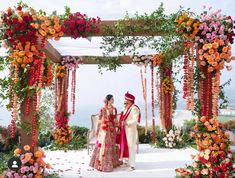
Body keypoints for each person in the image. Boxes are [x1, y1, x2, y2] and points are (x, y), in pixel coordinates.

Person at [89, 94, 120, 172]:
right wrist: (104, 122)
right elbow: (99, 120)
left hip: (112, 129)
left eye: (113, 99)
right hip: (105, 129)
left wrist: (118, 126)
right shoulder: (103, 109)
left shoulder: (114, 109)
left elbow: (115, 119)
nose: (113, 100)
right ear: (108, 100)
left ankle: (112, 163)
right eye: (112, 99)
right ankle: (102, 164)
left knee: (111, 145)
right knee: (105, 145)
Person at [119, 92, 141, 171]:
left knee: (131, 147)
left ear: (129, 100)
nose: (124, 101)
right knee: (125, 145)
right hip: (124, 130)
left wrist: (127, 123)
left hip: (130, 130)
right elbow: (122, 117)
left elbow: (135, 121)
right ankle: (126, 162)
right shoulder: (126, 107)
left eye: (125, 100)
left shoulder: (134, 108)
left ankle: (132, 165)